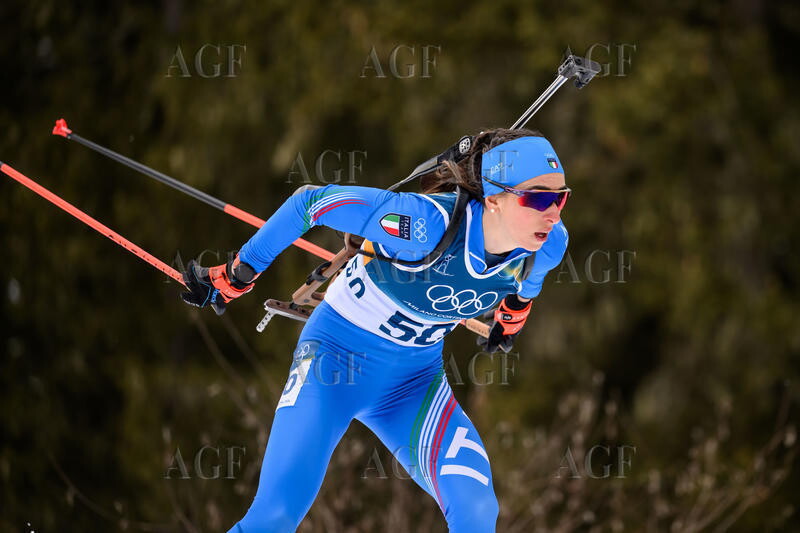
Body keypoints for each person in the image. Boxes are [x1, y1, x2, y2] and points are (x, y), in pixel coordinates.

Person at [180, 128, 570, 532]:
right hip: (332, 365)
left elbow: (526, 287)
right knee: (274, 517)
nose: (553, 212)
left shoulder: (548, 244)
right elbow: (310, 202)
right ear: (494, 198)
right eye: (538, 197)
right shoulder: (425, 225)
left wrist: (511, 319)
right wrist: (239, 272)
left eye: (561, 197)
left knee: (477, 511)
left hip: (414, 385)